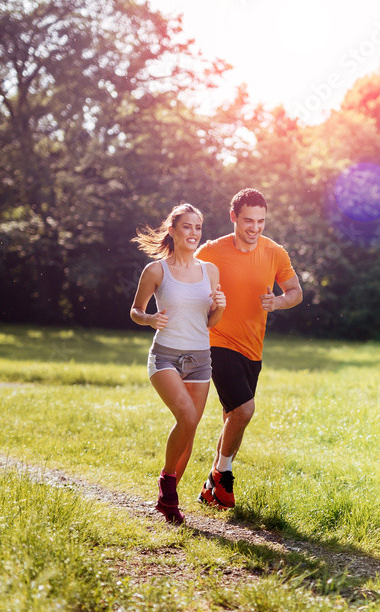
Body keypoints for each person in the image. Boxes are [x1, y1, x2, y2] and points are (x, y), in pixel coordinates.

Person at [194, 188, 302, 509]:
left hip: (253, 349)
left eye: (261, 221)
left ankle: (210, 485)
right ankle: (224, 477)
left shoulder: (275, 252)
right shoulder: (211, 251)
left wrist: (279, 301)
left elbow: (295, 291)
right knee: (245, 410)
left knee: (233, 417)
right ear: (234, 218)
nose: (255, 227)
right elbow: (183, 274)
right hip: (216, 341)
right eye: (248, 221)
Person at [130, 203, 226, 524]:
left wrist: (221, 307)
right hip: (165, 356)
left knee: (190, 427)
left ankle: (168, 500)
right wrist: (149, 319)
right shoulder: (156, 271)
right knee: (186, 415)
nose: (194, 233)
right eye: (187, 227)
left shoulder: (209, 271)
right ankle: (167, 484)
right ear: (173, 230)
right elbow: (136, 311)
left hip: (200, 357)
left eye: (198, 228)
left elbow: (211, 322)